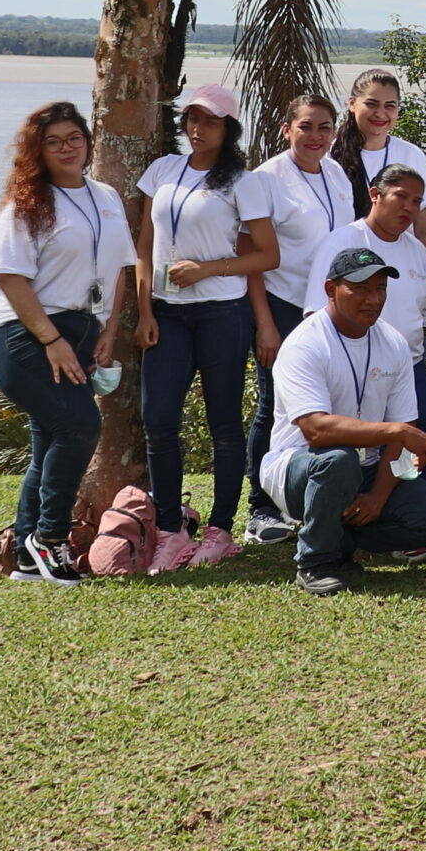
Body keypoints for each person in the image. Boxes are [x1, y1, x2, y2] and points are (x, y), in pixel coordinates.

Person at [0, 102, 134, 584]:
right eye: (53, 142)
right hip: (26, 335)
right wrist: (50, 340)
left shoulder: (106, 195)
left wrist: (108, 333)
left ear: (88, 142)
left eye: (74, 138)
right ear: (39, 151)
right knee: (78, 425)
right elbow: (11, 279)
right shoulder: (27, 204)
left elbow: (118, 272)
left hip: (83, 331)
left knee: (51, 438)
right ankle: (49, 539)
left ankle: (26, 558)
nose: (66, 148)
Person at [261, 246, 426, 596]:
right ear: (330, 289)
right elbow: (315, 430)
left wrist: (378, 498)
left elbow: (401, 438)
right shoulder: (304, 344)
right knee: (337, 460)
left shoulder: (393, 343)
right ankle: (314, 562)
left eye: (380, 289)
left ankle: (336, 538)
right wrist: (394, 430)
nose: (373, 299)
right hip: (299, 466)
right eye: (361, 288)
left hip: (365, 467)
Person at [133, 83, 280, 558]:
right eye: (193, 118)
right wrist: (145, 310)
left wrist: (206, 270)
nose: (198, 128)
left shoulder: (243, 181)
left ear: (229, 129)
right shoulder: (162, 170)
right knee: (158, 419)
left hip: (222, 312)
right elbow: (142, 246)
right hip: (168, 314)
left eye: (211, 121)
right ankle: (172, 529)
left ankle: (220, 531)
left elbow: (267, 254)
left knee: (223, 424)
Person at [298, 164, 426, 565]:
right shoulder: (344, 240)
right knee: (356, 448)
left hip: (405, 364)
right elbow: (316, 311)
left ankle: (422, 520)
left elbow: (422, 318)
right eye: (400, 197)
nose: (408, 207)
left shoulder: (415, 250)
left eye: (416, 201)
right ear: (375, 194)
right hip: (352, 364)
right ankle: (344, 523)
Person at [245, 92, 361, 543]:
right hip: (282, 303)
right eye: (306, 127)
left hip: (328, 309)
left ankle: (313, 499)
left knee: (325, 407)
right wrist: (265, 323)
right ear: (286, 128)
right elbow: (249, 253)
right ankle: (260, 509)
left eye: (324, 128)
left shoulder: (335, 173)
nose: (315, 136)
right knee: (272, 405)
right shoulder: (266, 178)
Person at [331, 67, 426, 242]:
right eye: (371, 104)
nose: (380, 113)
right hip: (343, 259)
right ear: (352, 104)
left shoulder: (411, 155)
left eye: (389, 106)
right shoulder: (329, 156)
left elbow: (425, 226)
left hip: (397, 260)